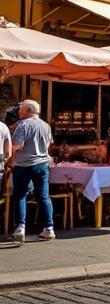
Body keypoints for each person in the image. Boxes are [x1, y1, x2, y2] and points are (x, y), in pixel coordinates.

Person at [9, 99, 55, 243]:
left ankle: (21, 227)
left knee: (21, 195)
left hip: (23, 164)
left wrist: (9, 158)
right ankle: (49, 228)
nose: (19, 111)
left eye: (21, 109)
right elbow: (49, 144)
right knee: (43, 196)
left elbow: (16, 146)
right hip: (42, 164)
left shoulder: (23, 125)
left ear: (27, 111)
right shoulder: (46, 125)